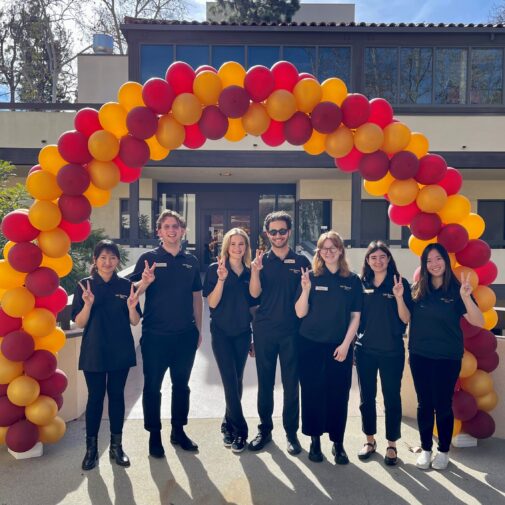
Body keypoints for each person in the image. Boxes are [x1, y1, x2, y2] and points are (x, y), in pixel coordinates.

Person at [131, 209, 203, 458]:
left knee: (181, 387)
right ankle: (154, 435)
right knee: (153, 387)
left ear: (183, 231)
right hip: (155, 336)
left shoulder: (191, 261)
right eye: (167, 226)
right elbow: (133, 295)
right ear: (159, 231)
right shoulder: (147, 259)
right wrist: (145, 283)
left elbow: (197, 297)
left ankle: (178, 431)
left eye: (176, 226)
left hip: (185, 335)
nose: (172, 230)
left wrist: (198, 329)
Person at [409, 243, 484, 471]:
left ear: (446, 260)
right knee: (424, 404)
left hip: (447, 357)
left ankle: (443, 451)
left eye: (438, 259)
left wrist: (467, 298)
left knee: (442, 405)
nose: (434, 264)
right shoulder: (417, 289)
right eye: (429, 260)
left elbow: (478, 322)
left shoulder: (457, 289)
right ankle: (426, 449)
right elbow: (408, 320)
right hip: (420, 355)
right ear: (424, 264)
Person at [72, 240, 142, 471]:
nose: (107, 262)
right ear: (95, 260)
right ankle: (91, 450)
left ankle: (116, 447)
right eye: (102, 257)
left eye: (112, 257)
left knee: (116, 396)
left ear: (117, 261)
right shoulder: (85, 286)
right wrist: (88, 305)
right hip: (94, 349)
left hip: (120, 348)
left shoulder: (126, 285)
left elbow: (134, 321)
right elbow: (80, 322)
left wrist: (132, 306)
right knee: (95, 398)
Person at [295, 230, 362, 465]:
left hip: (339, 347)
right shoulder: (310, 276)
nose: (329, 252)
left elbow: (356, 317)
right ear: (319, 252)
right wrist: (304, 290)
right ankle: (315, 441)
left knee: (337, 394)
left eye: (333, 247)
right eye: (324, 248)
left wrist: (346, 345)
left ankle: (338, 443)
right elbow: (300, 312)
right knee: (312, 393)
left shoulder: (352, 280)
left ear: (341, 250)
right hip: (310, 344)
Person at [249, 211, 311, 455]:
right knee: (264, 384)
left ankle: (291, 434)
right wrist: (254, 271)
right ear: (267, 234)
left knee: (290, 385)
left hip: (292, 333)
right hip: (264, 330)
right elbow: (254, 295)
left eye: (282, 231)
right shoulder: (260, 261)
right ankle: (264, 430)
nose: (277, 235)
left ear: (289, 232)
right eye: (273, 231)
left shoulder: (302, 262)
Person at [355, 241, 411, 466]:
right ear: (368, 261)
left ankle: (391, 444)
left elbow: (406, 318)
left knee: (391, 398)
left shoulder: (400, 283)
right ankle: (369, 440)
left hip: (392, 351)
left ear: (389, 259)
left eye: (382, 257)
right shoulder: (361, 284)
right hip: (365, 350)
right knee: (366, 398)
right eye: (373, 257)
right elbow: (354, 316)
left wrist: (398, 296)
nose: (378, 261)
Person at [203, 228, 257, 453]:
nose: (237, 248)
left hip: (243, 333)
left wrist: (255, 336)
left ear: (246, 247)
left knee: (237, 379)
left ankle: (227, 424)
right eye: (233, 244)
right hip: (222, 333)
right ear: (226, 246)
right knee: (229, 380)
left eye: (241, 244)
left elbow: (254, 301)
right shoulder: (216, 269)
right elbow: (212, 303)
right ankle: (240, 431)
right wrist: (222, 280)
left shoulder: (250, 271)